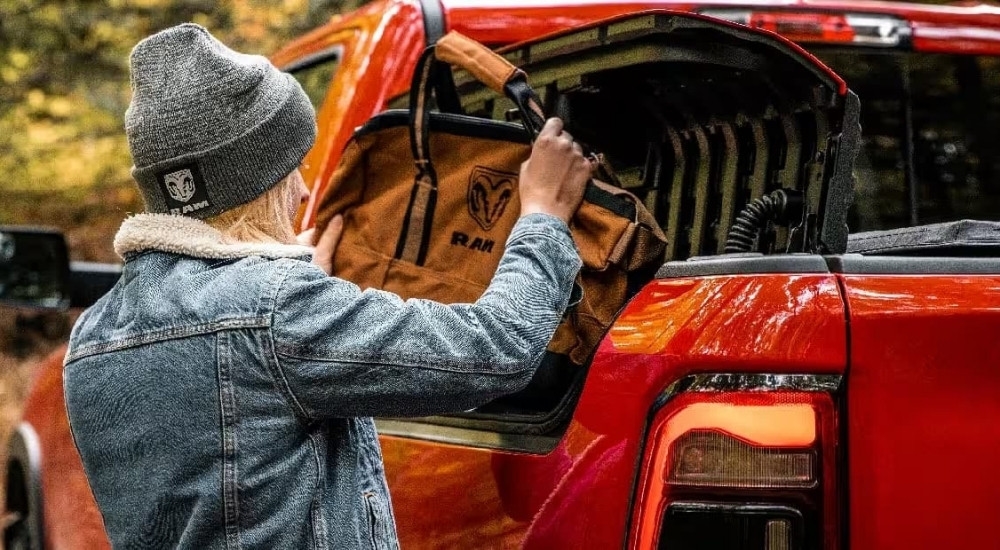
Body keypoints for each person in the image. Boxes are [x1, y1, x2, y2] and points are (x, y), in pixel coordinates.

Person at [62, 23, 591, 549]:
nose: (303, 189)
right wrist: (543, 214)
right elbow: (497, 347)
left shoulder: (91, 339)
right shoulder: (277, 313)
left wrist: (291, 279)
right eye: (291, 168)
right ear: (254, 184)